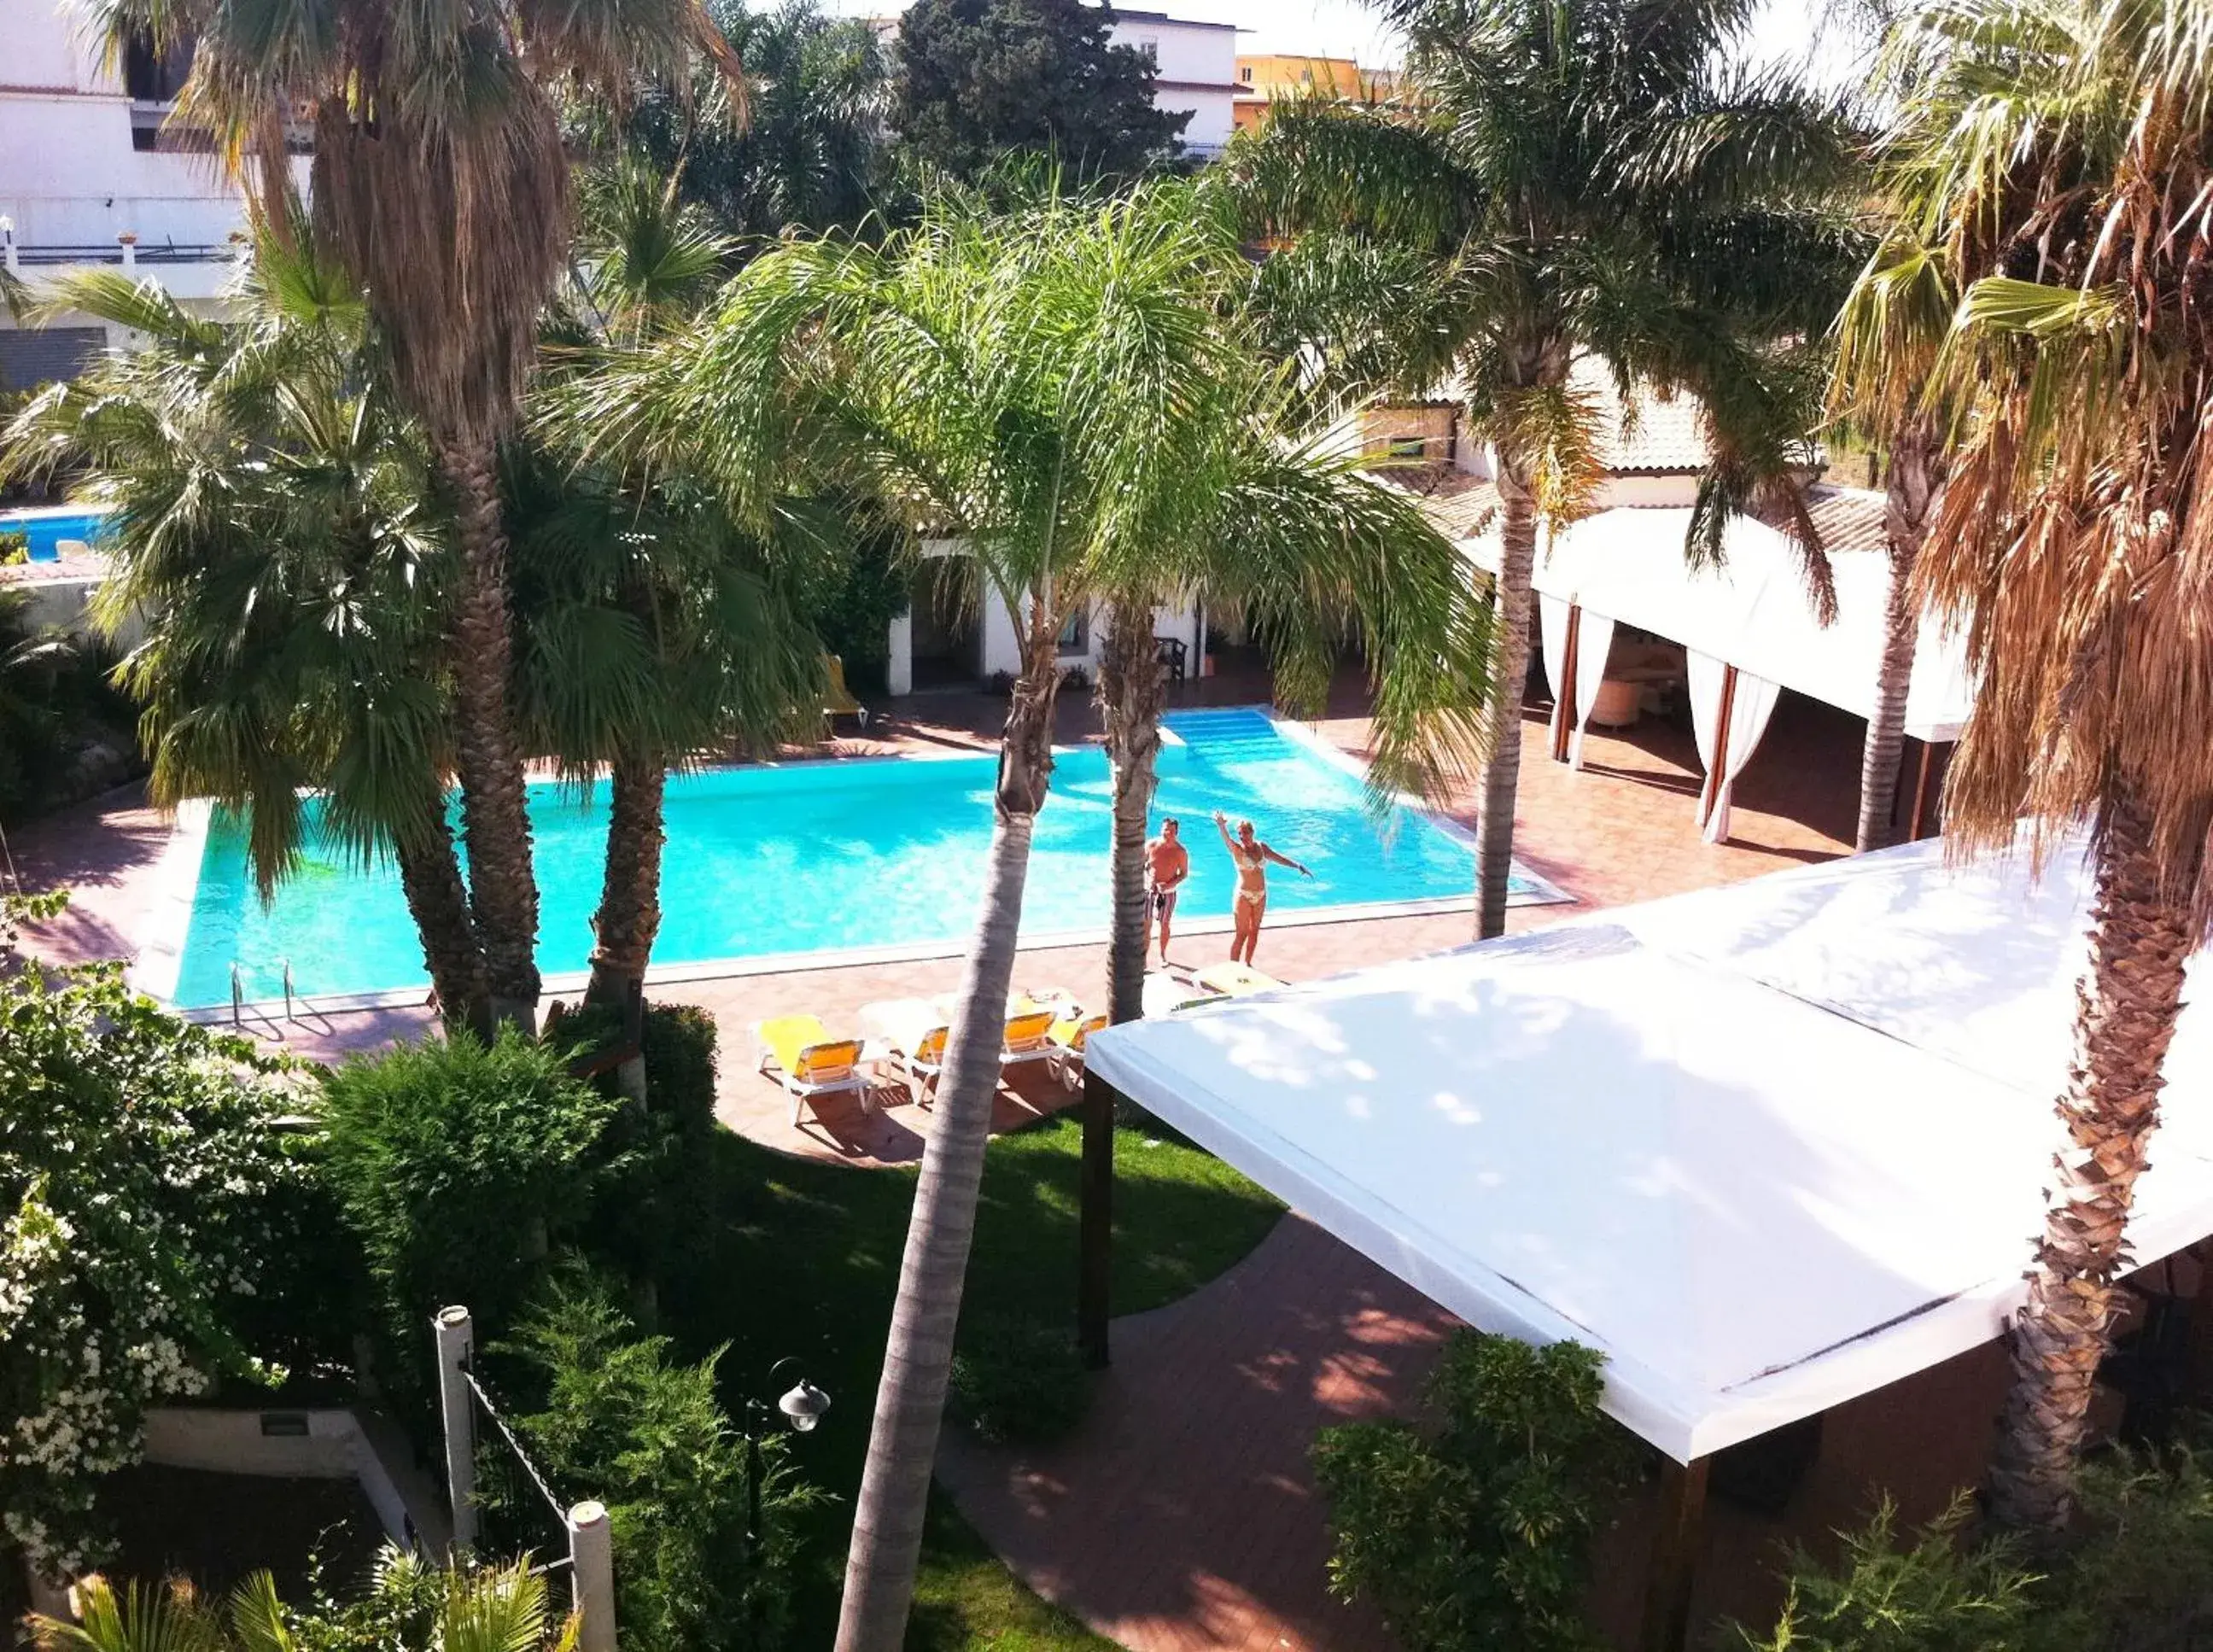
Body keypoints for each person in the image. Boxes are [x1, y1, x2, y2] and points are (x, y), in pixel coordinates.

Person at [1213, 808, 1311, 966]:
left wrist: (1297, 866)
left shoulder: (1261, 847)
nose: (1242, 836)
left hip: (1261, 895)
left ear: (1252, 832)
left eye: (1245, 833)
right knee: (1241, 934)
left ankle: (1247, 964)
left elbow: (1278, 858)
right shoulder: (1238, 850)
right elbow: (1227, 841)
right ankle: (1232, 969)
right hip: (1244, 895)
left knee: (1254, 932)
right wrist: (1221, 826)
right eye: (1240, 833)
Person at [1145, 816, 1190, 962]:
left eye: (1172, 831)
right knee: (1146, 925)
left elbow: (1183, 874)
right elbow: (1141, 864)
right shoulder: (1151, 845)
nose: (1168, 833)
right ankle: (1143, 958)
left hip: (1168, 894)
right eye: (1166, 830)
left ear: (1177, 832)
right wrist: (1149, 878)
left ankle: (1162, 954)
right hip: (1149, 891)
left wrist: (1168, 885)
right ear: (1161, 830)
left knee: (1164, 925)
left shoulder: (1180, 851)